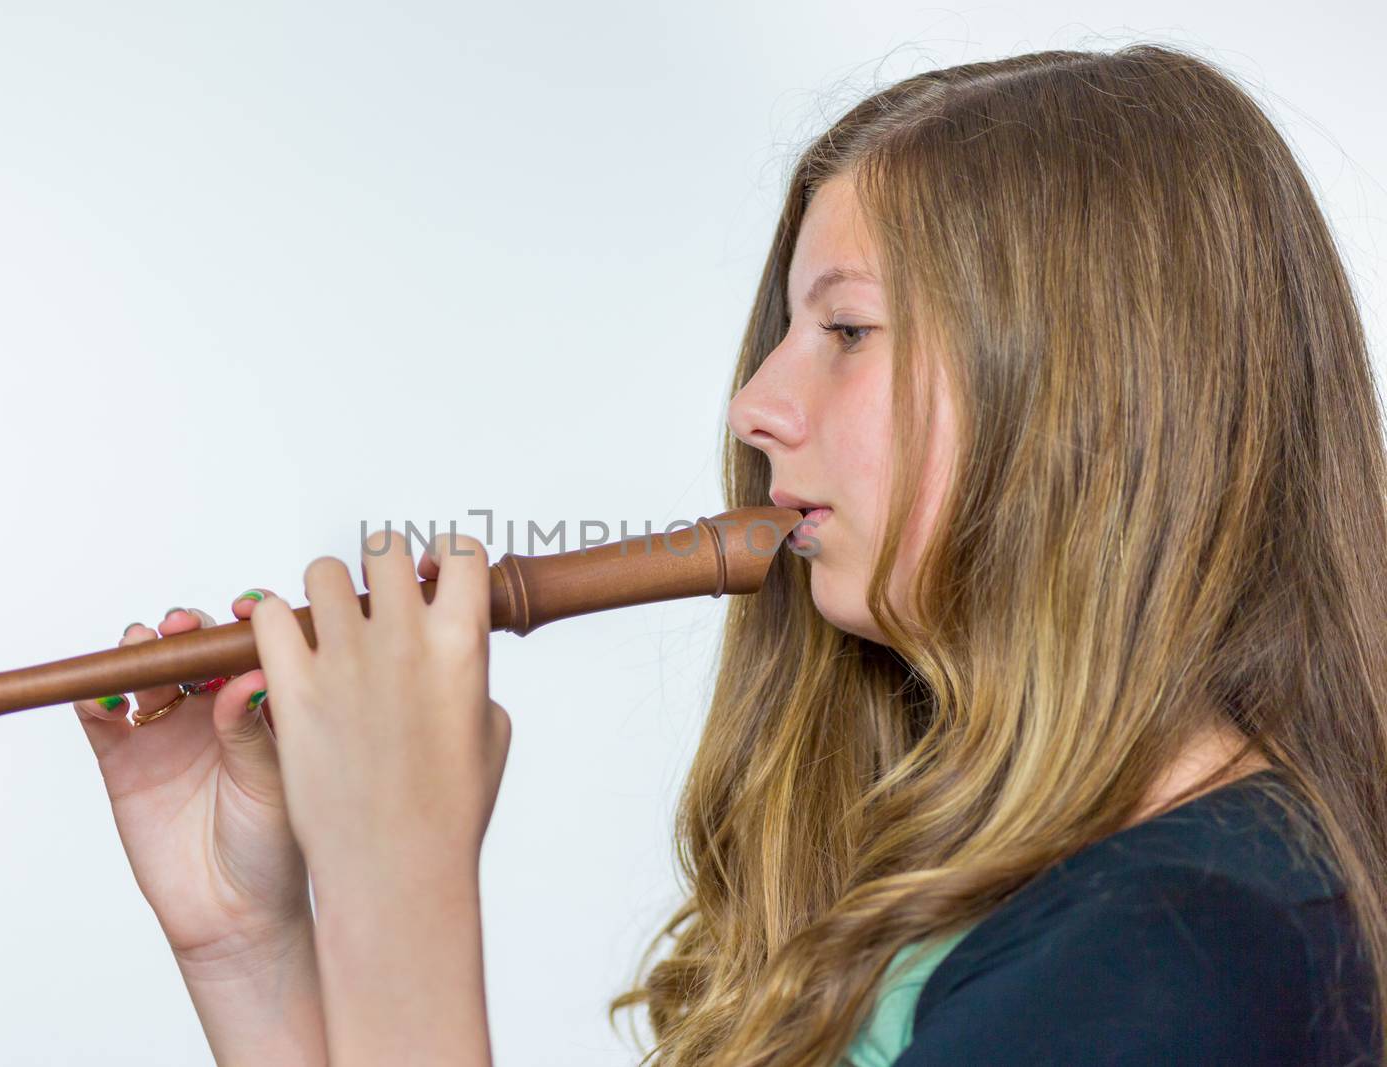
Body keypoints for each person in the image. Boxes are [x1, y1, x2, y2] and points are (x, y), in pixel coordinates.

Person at [72, 41, 1387, 1066]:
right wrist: (248, 947)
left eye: (848, 332)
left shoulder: (1191, 961)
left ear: (1097, 392)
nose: (757, 403)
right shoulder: (1031, 894)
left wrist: (398, 875)